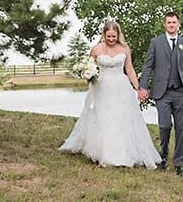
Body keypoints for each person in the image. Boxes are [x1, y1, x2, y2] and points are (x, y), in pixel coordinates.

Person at [60, 19, 162, 168]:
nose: (111, 39)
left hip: (121, 87)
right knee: (104, 118)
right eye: (109, 36)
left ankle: (123, 153)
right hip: (102, 88)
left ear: (118, 35)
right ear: (104, 34)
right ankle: (103, 152)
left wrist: (138, 87)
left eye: (114, 36)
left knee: (121, 119)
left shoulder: (125, 48)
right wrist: (88, 75)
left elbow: (130, 70)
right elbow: (89, 67)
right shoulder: (96, 49)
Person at [137, 11, 183, 175]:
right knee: (164, 126)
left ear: (179, 24)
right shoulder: (156, 43)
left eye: (174, 22)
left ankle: (178, 163)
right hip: (162, 92)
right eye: (168, 22)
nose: (171, 25)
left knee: (181, 128)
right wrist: (143, 87)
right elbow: (148, 66)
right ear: (164, 24)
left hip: (181, 92)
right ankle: (163, 156)